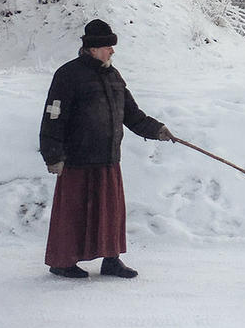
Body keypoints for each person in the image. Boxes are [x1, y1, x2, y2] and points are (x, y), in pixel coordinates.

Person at [39, 19, 175, 279]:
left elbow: (132, 114)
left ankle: (111, 260)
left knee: (110, 213)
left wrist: (157, 130)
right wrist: (53, 155)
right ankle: (62, 262)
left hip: (108, 157)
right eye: (108, 46)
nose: (112, 51)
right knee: (73, 213)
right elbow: (53, 116)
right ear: (92, 49)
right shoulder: (68, 75)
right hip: (77, 159)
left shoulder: (113, 76)